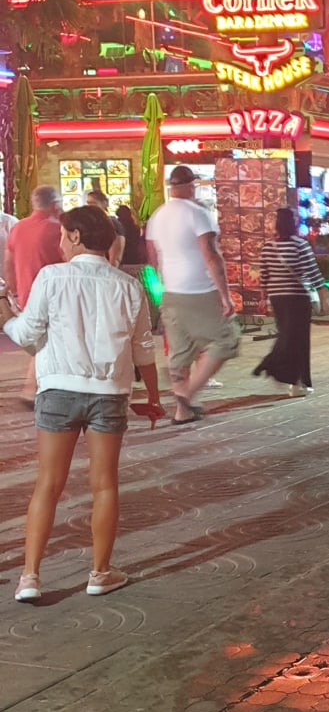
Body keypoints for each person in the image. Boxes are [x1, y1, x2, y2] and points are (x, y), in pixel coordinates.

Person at [0, 205, 164, 602]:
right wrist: (154, 398)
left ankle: (30, 577)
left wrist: (5, 311)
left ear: (75, 236)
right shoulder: (128, 286)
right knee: (104, 484)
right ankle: (100, 573)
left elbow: (26, 333)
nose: (60, 243)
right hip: (109, 393)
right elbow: (144, 350)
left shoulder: (52, 277)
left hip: (58, 390)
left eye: (62, 236)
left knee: (47, 485)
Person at [144, 164, 240, 424]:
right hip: (199, 289)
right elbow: (211, 255)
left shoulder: (158, 216)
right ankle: (188, 394)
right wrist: (225, 295)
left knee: (180, 351)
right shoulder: (197, 214)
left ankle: (182, 411)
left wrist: (161, 287)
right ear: (189, 185)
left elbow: (152, 258)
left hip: (171, 291)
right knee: (226, 340)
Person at [253, 207, 328, 394]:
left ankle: (290, 377)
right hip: (297, 297)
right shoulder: (299, 245)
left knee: (286, 335)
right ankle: (294, 379)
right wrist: (324, 297)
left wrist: (263, 298)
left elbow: (264, 276)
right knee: (299, 339)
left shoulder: (268, 246)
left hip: (277, 297)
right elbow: (313, 272)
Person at [3, 186, 62, 407]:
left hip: (26, 293)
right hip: (53, 294)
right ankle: (32, 390)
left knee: (42, 340)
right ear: (54, 204)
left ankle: (33, 388)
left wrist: (14, 290)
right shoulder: (57, 229)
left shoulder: (18, 228)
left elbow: (8, 262)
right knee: (47, 340)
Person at [86, 189, 125, 267]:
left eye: (93, 203)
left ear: (104, 204)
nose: (89, 206)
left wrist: (111, 269)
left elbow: (115, 257)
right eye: (88, 203)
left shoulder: (112, 223)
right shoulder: (92, 223)